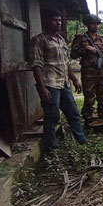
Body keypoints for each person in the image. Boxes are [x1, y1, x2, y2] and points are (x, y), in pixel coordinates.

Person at [31, 10, 86, 150]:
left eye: (60, 20)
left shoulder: (60, 40)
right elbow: (37, 65)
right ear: (47, 21)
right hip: (50, 83)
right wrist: (41, 87)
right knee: (52, 115)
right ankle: (52, 147)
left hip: (64, 83)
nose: (58, 23)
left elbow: (65, 63)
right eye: (55, 20)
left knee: (73, 112)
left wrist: (75, 79)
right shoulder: (39, 40)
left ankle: (81, 141)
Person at [70, 14, 103, 126]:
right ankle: (88, 120)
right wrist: (86, 49)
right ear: (88, 25)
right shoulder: (81, 39)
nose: (96, 26)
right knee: (89, 97)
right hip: (88, 72)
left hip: (102, 72)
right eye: (93, 23)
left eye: (97, 24)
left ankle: (102, 119)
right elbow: (73, 54)